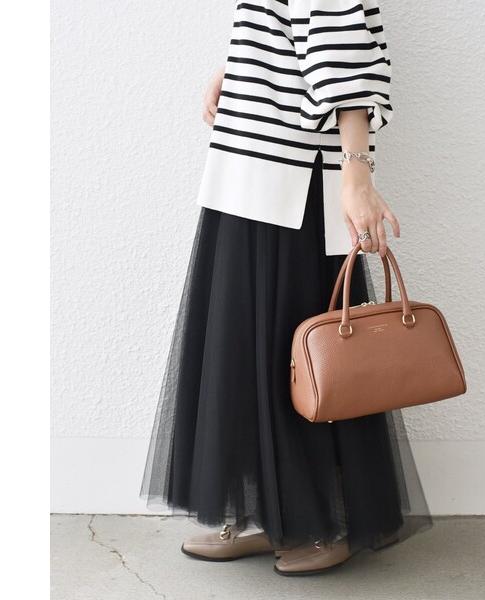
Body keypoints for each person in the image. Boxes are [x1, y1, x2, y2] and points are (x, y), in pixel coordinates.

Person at [140, 0, 431, 576]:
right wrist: (241, 66)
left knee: (300, 357)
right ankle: (268, 516)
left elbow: (342, 49)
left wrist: (356, 177)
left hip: (290, 175)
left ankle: (321, 521)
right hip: (253, 164)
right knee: (248, 352)